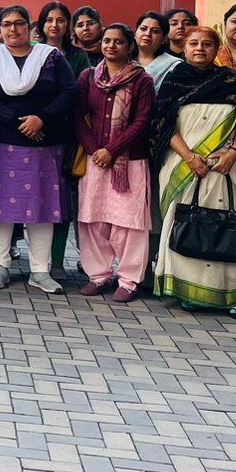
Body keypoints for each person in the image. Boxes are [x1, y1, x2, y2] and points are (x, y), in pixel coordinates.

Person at [149, 25, 236, 313]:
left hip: (228, 167)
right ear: (184, 47)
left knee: (229, 221)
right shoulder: (174, 81)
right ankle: (186, 289)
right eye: (193, 43)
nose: (199, 48)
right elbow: (162, 125)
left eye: (207, 43)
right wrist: (189, 157)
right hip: (183, 164)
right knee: (184, 220)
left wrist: (233, 152)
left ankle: (231, 295)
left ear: (218, 49)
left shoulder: (232, 82)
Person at [0, 5, 77, 294]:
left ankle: (40, 270)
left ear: (30, 26)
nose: (12, 29)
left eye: (19, 23)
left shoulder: (50, 57)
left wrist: (41, 118)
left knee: (42, 206)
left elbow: (69, 91)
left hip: (44, 143)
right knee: (1, 206)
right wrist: (16, 121)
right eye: (6, 24)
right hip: (0, 142)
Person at [73, 24, 156, 302]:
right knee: (92, 218)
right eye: (107, 41)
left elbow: (142, 121)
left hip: (129, 161)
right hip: (95, 159)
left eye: (118, 42)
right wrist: (95, 149)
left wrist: (112, 149)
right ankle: (99, 275)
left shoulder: (141, 80)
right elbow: (78, 116)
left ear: (129, 46)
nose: (111, 46)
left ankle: (129, 280)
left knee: (129, 222)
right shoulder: (88, 77)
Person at [34, 1, 87, 274]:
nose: (55, 25)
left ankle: (56, 261)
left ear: (68, 25)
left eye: (61, 20)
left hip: (65, 135)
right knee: (35, 198)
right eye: (49, 20)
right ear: (41, 24)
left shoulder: (78, 56)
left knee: (61, 200)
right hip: (33, 134)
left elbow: (79, 95)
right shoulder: (29, 51)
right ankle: (36, 261)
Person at [135, 11, 181, 82]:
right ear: (135, 33)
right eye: (143, 29)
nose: (147, 34)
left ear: (164, 38)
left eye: (155, 31)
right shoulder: (123, 60)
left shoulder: (174, 66)